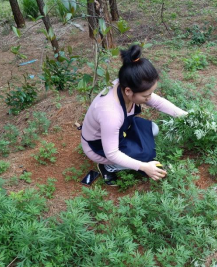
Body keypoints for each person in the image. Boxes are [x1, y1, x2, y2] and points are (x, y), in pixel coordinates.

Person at [80, 44, 187, 186]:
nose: (149, 98)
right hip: (98, 146)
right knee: (147, 157)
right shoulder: (110, 113)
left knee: (152, 129)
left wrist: (184, 115)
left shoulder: (125, 83)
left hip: (122, 130)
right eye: (146, 95)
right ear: (129, 91)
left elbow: (157, 102)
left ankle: (133, 154)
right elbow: (112, 153)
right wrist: (144, 166)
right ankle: (107, 167)